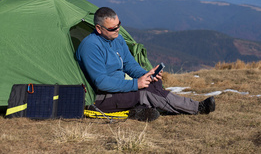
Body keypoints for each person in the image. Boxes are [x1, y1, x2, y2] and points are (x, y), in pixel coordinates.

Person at [76, 7, 215, 121]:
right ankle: (197, 107)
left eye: (119, 25)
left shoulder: (117, 39)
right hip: (102, 97)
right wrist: (135, 84)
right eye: (112, 28)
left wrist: (146, 75)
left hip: (119, 89)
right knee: (144, 93)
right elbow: (102, 82)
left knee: (154, 83)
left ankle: (138, 110)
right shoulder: (91, 46)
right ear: (99, 29)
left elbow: (129, 65)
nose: (117, 29)